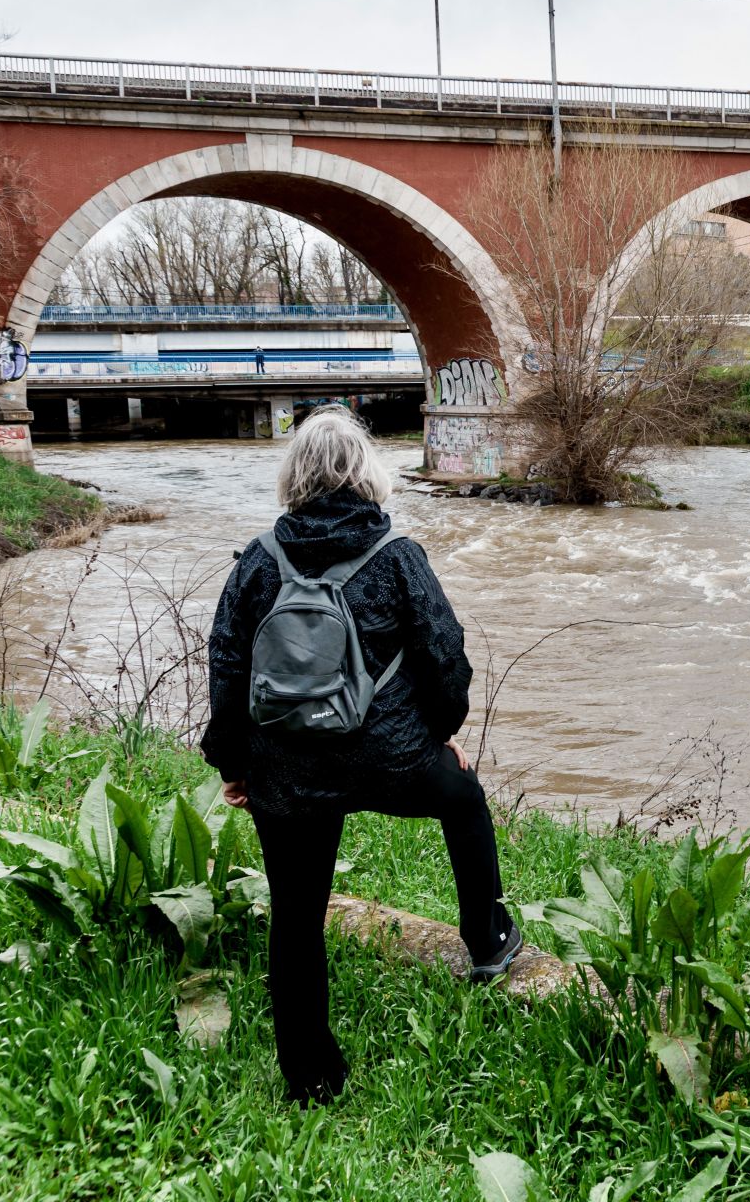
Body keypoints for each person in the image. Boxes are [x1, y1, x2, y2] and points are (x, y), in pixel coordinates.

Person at [201, 404, 521, 1106]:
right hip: (394, 759)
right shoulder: (398, 557)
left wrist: (232, 764)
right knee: (464, 799)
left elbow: (226, 665)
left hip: (286, 772)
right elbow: (447, 655)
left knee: (295, 914)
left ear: (295, 477)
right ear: (365, 472)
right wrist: (441, 732)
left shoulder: (258, 561)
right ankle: (488, 937)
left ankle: (312, 1079)